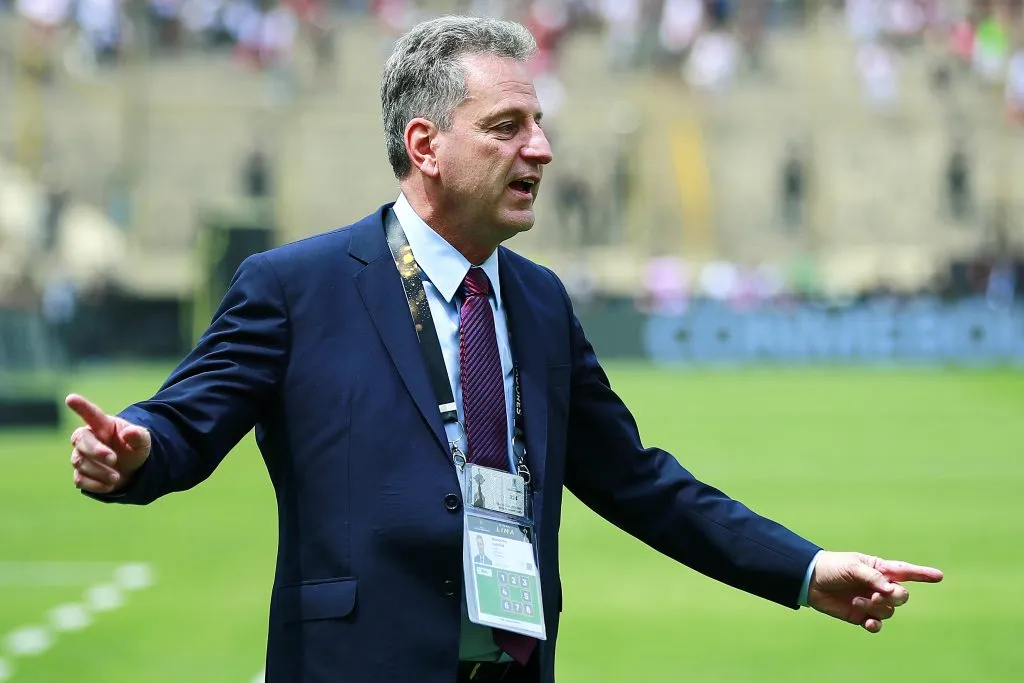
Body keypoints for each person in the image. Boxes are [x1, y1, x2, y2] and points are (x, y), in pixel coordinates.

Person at [65, 15, 943, 683]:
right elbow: (182, 422)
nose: (543, 149)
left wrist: (805, 567)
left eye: (540, 122)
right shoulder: (295, 285)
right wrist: (135, 448)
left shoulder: (540, 300)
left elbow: (637, 480)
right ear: (426, 147)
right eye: (507, 125)